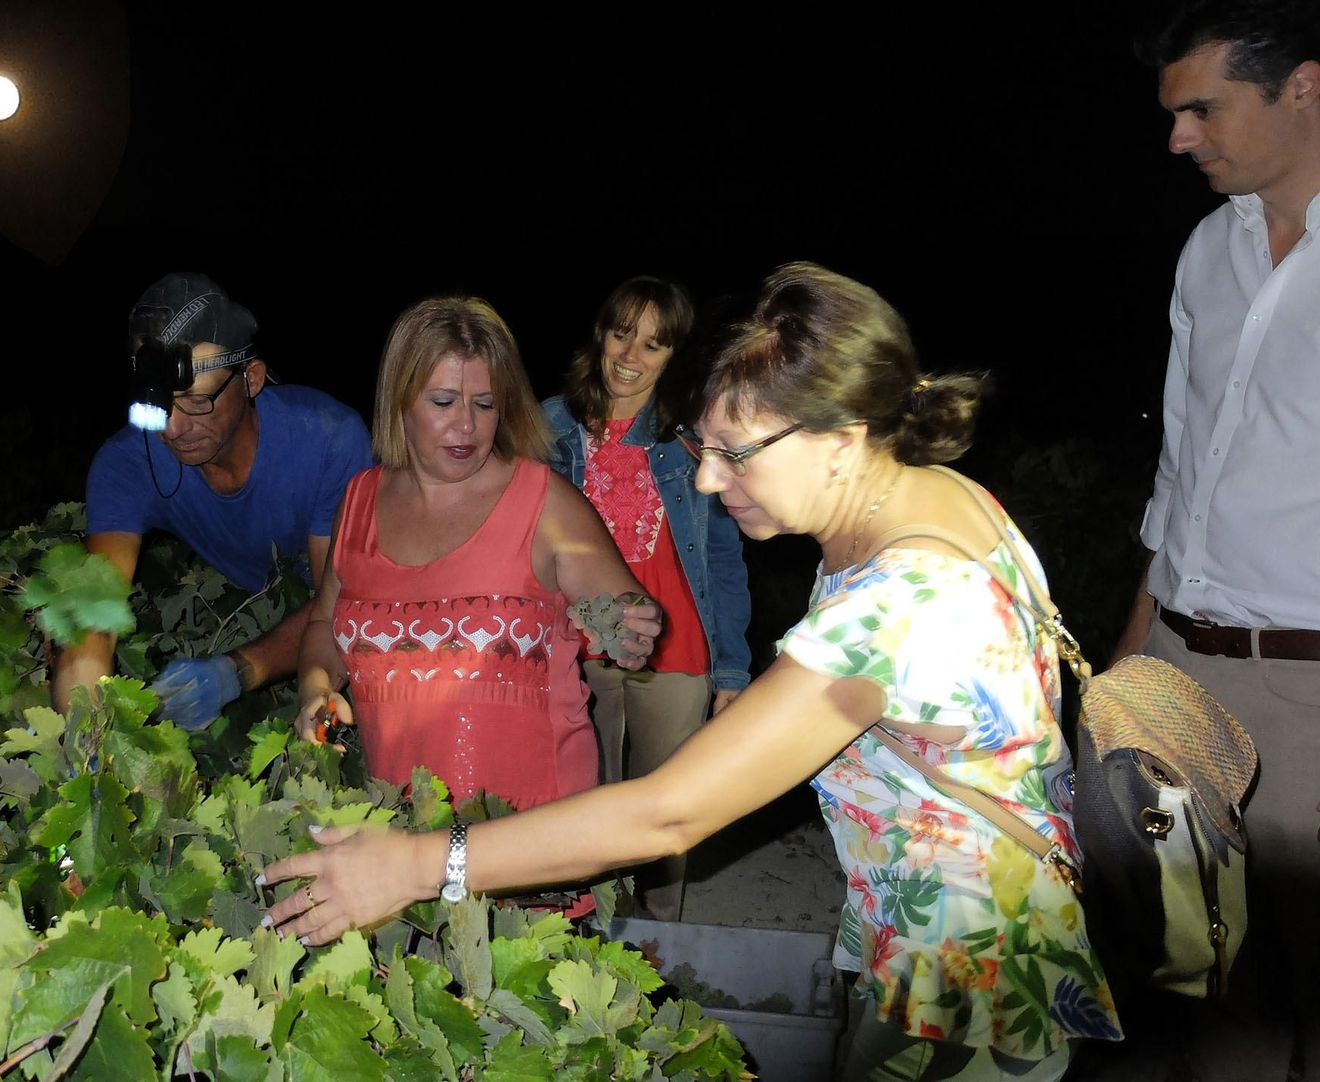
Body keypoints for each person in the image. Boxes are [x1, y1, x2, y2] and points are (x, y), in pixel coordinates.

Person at [264, 263, 1122, 1082]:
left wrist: (415, 867)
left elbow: (669, 812)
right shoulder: (938, 502)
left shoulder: (899, 607)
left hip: (972, 987)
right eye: (701, 447)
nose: (708, 480)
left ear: (839, 439)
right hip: (937, 945)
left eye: (736, 452)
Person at [1106, 3, 1320, 1078]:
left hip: (1311, 687)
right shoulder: (1208, 247)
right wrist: (1135, 660)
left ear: (1303, 85)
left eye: (1202, 108)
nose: (1178, 138)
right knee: (1205, 966)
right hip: (1185, 664)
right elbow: (1180, 472)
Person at [291, 295, 662, 826]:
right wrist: (316, 687)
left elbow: (620, 612)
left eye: (485, 405)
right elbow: (327, 622)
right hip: (399, 823)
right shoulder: (359, 500)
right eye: (443, 402)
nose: (466, 427)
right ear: (400, 401)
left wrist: (632, 627)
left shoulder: (544, 503)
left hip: (528, 834)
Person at [52, 272, 373, 728]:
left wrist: (236, 671)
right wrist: (82, 725)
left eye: (197, 401)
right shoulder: (127, 462)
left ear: (252, 380)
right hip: (269, 603)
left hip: (369, 610)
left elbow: (337, 606)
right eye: (159, 404)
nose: (173, 429)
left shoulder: (329, 438)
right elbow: (93, 617)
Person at [541, 276, 750, 921]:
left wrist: (734, 669)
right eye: (621, 333)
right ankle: (598, 923)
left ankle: (661, 934)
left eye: (654, 345)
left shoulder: (690, 438)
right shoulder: (551, 426)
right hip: (581, 645)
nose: (630, 356)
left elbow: (721, 554)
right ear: (601, 335)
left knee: (665, 807)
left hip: (677, 647)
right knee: (586, 797)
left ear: (674, 356)